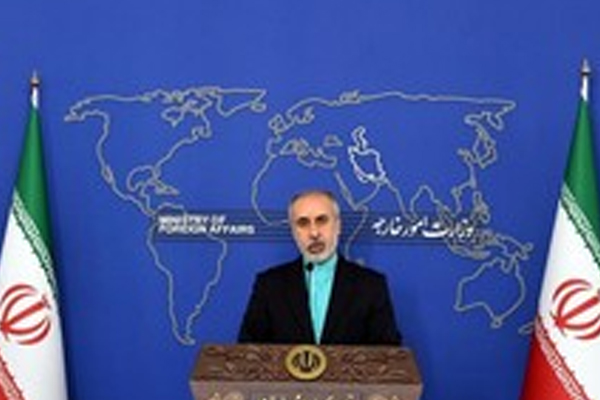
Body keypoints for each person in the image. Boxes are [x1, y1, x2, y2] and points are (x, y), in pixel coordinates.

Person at [238, 189, 402, 345]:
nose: (314, 233)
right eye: (303, 223)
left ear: (338, 226)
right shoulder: (269, 285)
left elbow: (388, 356)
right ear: (293, 232)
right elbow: (248, 352)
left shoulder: (370, 286)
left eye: (321, 220)